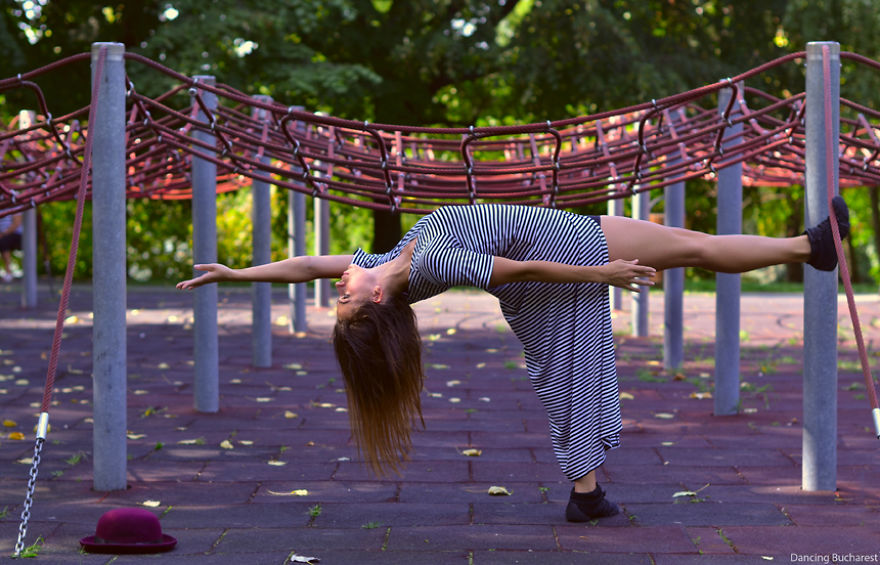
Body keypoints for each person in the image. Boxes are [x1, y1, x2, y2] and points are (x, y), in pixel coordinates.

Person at [177, 196, 850, 523]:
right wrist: (602, 272)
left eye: (338, 294)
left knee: (578, 360)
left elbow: (303, 264)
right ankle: (810, 248)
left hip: (552, 243)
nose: (337, 286)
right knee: (692, 247)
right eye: (342, 299)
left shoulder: (382, 263)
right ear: (375, 300)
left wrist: (235, 273)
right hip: (561, 248)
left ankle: (587, 494)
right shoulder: (431, 262)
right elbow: (517, 268)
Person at [0, 212, 23, 283]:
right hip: (3, 235)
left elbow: (16, 223)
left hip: (16, 234)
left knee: (3, 242)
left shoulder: (14, 207)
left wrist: (3, 234)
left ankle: (8, 272)